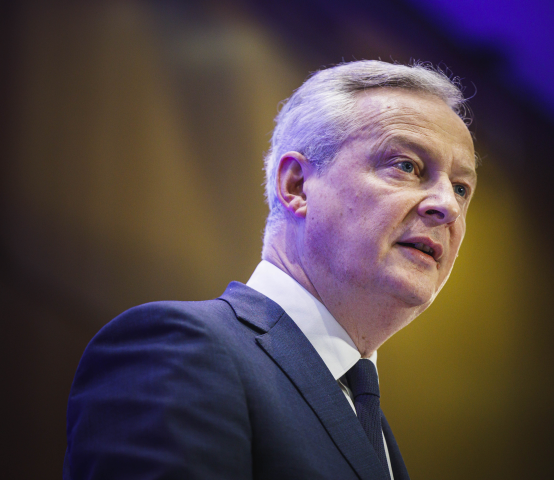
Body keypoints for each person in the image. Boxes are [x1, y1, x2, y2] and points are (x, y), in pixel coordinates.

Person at [64, 60, 477, 480]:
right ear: (297, 185)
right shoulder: (181, 349)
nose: (447, 205)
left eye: (462, 188)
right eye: (406, 165)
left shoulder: (371, 424)